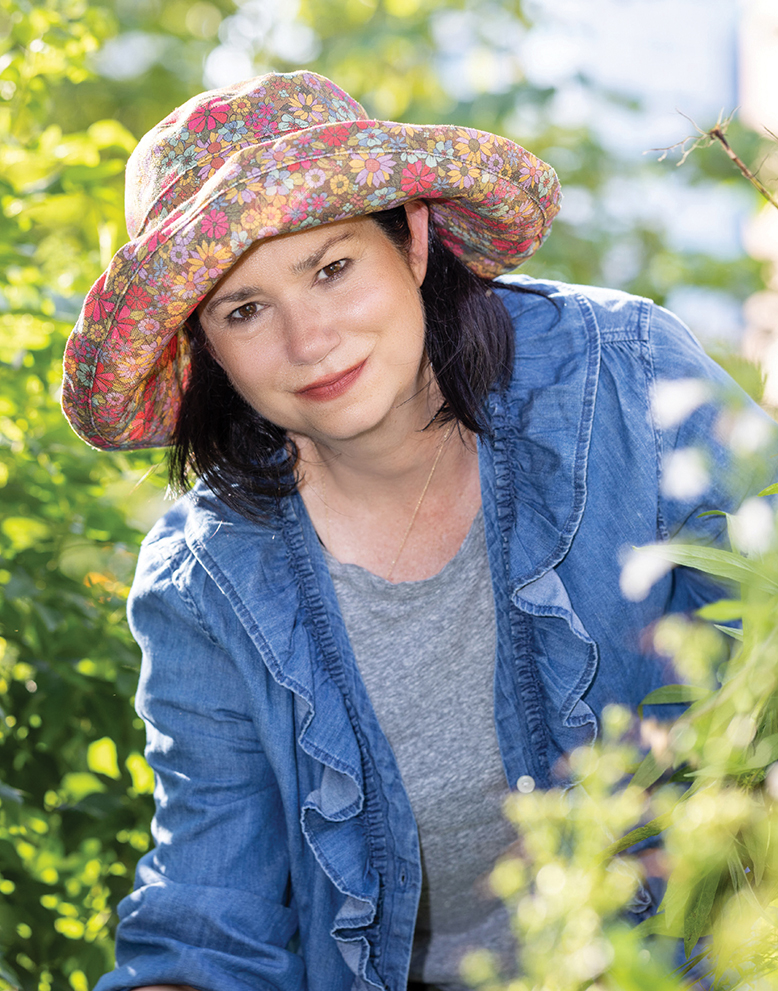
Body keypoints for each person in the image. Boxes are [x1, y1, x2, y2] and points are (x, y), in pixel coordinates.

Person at [62, 70, 776, 991]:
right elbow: (211, 920)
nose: (310, 340)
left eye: (330, 268)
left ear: (412, 236)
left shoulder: (629, 379)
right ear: (206, 348)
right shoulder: (205, 583)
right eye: (244, 309)